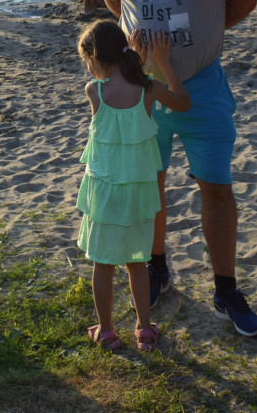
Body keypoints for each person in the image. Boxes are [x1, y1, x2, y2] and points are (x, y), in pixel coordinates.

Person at [101, 0, 257, 336]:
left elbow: (246, 0)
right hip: (143, 90)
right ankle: (157, 267)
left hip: (203, 84)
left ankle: (226, 289)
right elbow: (116, 0)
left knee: (215, 184)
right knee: (149, 182)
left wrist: (205, 34)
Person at [76, 20, 191, 351]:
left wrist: (135, 60)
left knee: (103, 262)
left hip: (104, 191)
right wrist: (163, 65)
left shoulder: (94, 91)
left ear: (95, 59)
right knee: (137, 262)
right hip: (139, 192)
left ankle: (107, 330)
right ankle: (143, 329)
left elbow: (112, 81)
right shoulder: (148, 88)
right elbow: (183, 102)